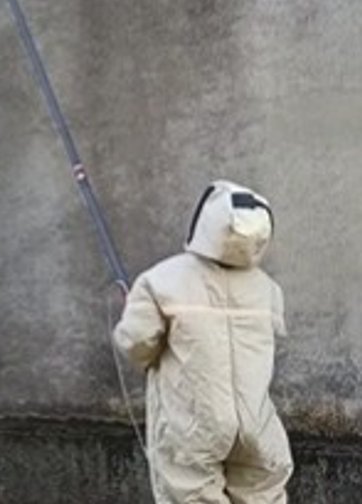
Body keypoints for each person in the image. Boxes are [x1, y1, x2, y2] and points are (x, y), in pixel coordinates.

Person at [113, 179, 293, 504]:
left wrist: (139, 318)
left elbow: (136, 344)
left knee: (192, 496)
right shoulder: (268, 289)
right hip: (257, 425)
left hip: (193, 425)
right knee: (263, 496)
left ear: (205, 221)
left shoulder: (161, 280)